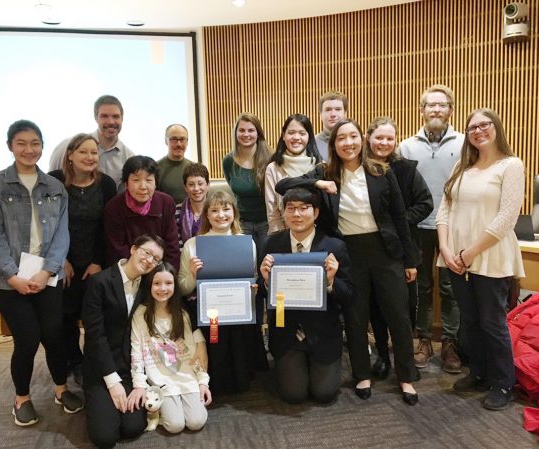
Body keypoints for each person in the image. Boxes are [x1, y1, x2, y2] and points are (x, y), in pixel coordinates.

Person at [276, 119, 420, 405]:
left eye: (353, 136)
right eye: (341, 138)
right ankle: (362, 374)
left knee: (398, 316)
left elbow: (400, 217)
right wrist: (316, 182)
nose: (348, 143)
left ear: (362, 140)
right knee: (355, 316)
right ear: (333, 145)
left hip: (385, 250)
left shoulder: (381, 170)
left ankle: (406, 376)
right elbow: (283, 185)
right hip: (349, 251)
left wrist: (410, 259)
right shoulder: (326, 172)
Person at [0, 119, 82, 427]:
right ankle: (22, 398)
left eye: (35, 143)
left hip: (46, 275)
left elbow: (62, 235)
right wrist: (11, 277)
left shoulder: (55, 187)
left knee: (54, 335)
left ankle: (61, 389)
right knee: (28, 338)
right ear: (10, 146)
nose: (29, 149)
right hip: (6, 281)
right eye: (21, 143)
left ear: (42, 147)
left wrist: (48, 272)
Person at [436, 108, 525, 411]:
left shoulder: (510, 165)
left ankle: (503, 382)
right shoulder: (462, 165)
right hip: (456, 258)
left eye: (484, 125)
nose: (478, 131)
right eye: (472, 127)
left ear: (496, 127)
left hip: (490, 255)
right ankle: (479, 372)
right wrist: (446, 250)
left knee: (492, 321)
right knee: (470, 321)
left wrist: (470, 252)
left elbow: (507, 218)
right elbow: (444, 211)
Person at [259, 188, 355, 403]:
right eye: (290, 209)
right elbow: (262, 294)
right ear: (283, 213)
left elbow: (349, 295)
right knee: (294, 395)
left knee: (324, 393)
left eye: (304, 208)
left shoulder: (334, 246)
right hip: (287, 332)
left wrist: (331, 281)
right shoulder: (271, 244)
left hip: (323, 332)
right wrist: (265, 279)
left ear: (316, 213)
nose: (297, 214)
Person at [399, 84, 464, 374]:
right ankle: (424, 339)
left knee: (451, 288)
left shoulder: (465, 143)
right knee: (422, 288)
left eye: (442, 104)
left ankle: (450, 343)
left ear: (451, 109)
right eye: (430, 105)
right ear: (421, 110)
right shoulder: (406, 146)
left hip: (452, 226)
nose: (436, 110)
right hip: (420, 227)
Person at [178, 190, 268, 394]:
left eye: (226, 209)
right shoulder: (193, 245)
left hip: (238, 310)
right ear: (207, 215)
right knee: (214, 328)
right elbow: (182, 288)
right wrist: (193, 275)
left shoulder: (246, 242)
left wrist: (252, 289)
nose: (221, 215)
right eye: (214, 210)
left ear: (234, 213)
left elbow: (252, 277)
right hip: (208, 312)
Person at [364, 117, 433, 380]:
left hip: (402, 248)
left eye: (389, 138)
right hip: (371, 248)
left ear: (395, 141)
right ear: (368, 139)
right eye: (378, 137)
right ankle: (382, 355)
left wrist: (398, 222)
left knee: (403, 308)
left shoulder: (406, 169)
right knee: (376, 307)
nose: (384, 142)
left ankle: (404, 359)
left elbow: (425, 203)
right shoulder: (359, 168)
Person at [82, 235, 164, 448]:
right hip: (101, 368)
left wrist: (139, 383)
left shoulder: (148, 286)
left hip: (129, 367)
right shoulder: (99, 282)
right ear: (133, 249)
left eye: (155, 259)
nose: (149, 260)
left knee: (132, 427)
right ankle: (94, 400)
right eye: (146, 252)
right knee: (104, 437)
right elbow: (94, 336)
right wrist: (112, 382)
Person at [49, 133, 117, 384]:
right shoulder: (55, 182)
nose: (90, 157)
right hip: (63, 261)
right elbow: (52, 225)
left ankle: (94, 361)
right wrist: (61, 260)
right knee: (64, 317)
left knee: (95, 315)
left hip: (95, 262)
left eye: (94, 152)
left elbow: (106, 227)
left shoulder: (106, 184)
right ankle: (73, 360)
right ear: (70, 155)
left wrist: (98, 261)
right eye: (83, 152)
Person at [129, 263, 211, 433]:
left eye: (168, 283)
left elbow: (192, 350)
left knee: (196, 422)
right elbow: (136, 351)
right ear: (149, 285)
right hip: (160, 380)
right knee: (175, 426)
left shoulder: (181, 313)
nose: (163, 288)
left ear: (175, 285)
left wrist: (203, 382)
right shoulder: (140, 314)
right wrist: (139, 385)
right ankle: (157, 411)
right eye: (157, 283)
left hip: (186, 376)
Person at [104, 155, 180, 269]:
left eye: (149, 180)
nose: (143, 186)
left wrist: (166, 274)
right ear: (126, 184)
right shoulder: (114, 208)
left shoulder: (166, 203)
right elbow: (117, 250)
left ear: (155, 183)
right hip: (128, 270)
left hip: (160, 269)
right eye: (136, 180)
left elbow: (172, 246)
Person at [49, 95, 134, 189]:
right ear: (96, 118)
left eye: (116, 116)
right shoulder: (67, 146)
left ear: (122, 118)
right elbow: (49, 182)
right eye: (104, 116)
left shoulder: (129, 158)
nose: (111, 122)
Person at [265, 114, 322, 234]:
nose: (296, 137)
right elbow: (273, 212)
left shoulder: (319, 166)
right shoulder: (273, 168)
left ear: (309, 137)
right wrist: (280, 240)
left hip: (317, 236)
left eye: (302, 133)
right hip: (285, 236)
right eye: (291, 132)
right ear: (283, 136)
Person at [223, 113, 272, 249]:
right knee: (244, 266)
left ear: (258, 133)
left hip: (267, 222)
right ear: (236, 133)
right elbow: (235, 191)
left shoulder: (271, 159)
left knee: (265, 265)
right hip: (242, 223)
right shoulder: (228, 161)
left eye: (251, 130)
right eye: (242, 130)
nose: (246, 134)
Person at [176, 162, 210, 249]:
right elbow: (177, 242)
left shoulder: (216, 210)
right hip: (185, 256)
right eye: (191, 185)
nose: (196, 189)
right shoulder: (177, 211)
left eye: (200, 183)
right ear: (185, 188)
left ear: (208, 185)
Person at [157, 124, 193, 204]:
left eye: (182, 139)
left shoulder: (195, 168)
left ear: (187, 142)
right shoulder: (156, 168)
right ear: (166, 141)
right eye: (174, 139)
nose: (178, 144)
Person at [315, 91, 348, 161]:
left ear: (345, 114)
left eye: (338, 109)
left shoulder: (357, 142)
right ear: (320, 115)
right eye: (328, 110)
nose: (333, 114)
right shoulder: (311, 144)